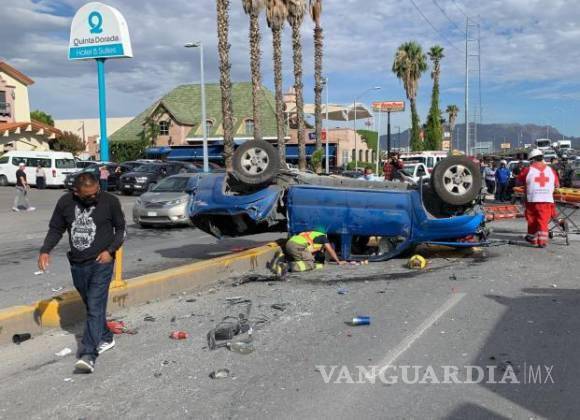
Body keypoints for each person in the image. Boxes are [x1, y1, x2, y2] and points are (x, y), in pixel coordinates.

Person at [38, 173, 126, 373]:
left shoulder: (110, 201)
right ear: (75, 192)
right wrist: (45, 250)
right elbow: (55, 229)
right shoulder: (65, 203)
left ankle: (88, 354)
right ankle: (106, 337)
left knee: (95, 306)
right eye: (88, 196)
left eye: (96, 193)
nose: (94, 198)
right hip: (78, 264)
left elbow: (121, 230)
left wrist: (110, 251)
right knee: (91, 305)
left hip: (102, 263)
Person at [516, 149, 559, 248]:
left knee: (532, 219)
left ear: (532, 159)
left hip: (532, 198)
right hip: (546, 199)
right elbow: (557, 185)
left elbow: (518, 181)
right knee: (542, 220)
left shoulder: (528, 169)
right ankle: (538, 240)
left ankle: (539, 241)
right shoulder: (551, 170)